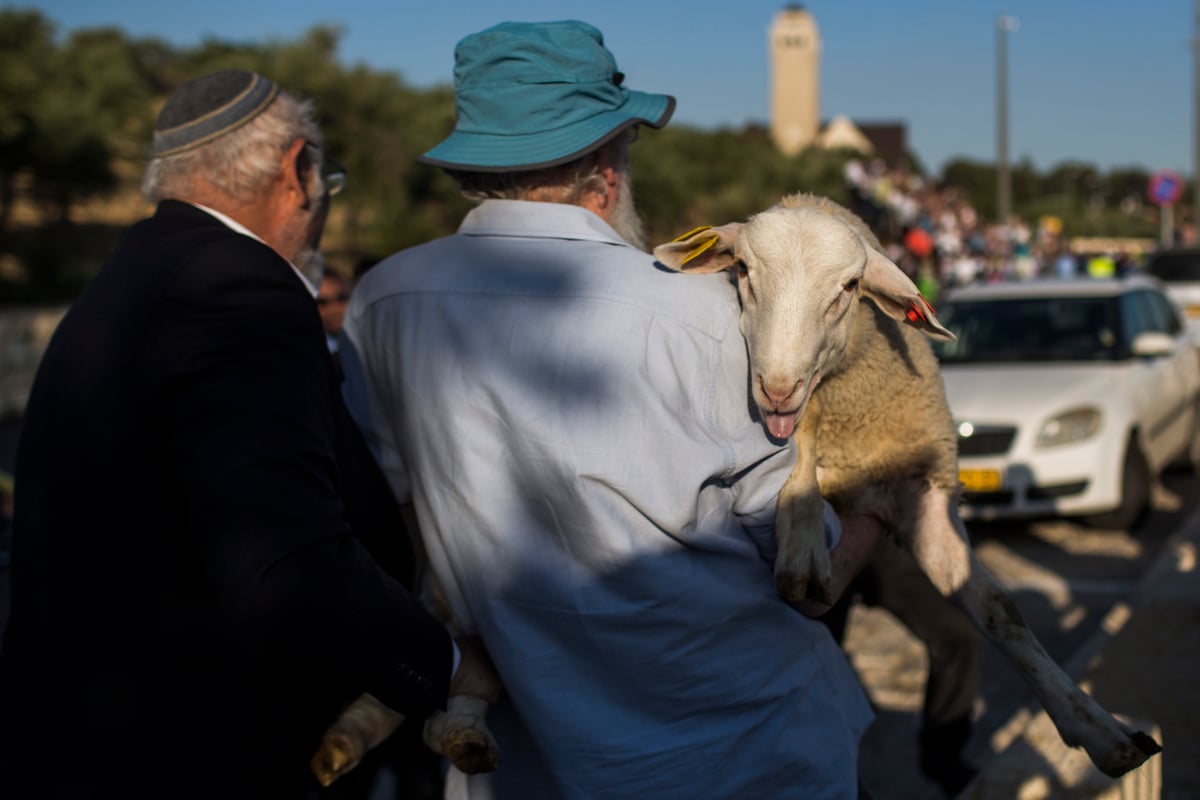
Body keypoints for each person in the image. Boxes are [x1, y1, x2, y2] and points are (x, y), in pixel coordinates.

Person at [340, 20, 884, 799]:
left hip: (533, 763)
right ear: (605, 167)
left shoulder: (383, 300)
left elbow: (384, 514)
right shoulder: (699, 312)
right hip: (746, 754)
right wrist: (883, 507)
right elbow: (803, 564)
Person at [0, 69, 496, 800]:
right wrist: (448, 664)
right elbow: (281, 556)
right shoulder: (236, 288)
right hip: (191, 752)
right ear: (298, 171)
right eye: (329, 178)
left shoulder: (145, 269)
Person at [820, 538, 982, 797]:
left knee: (959, 638)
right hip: (815, 539)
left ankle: (944, 761)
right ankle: (834, 784)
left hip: (876, 528)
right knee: (814, 670)